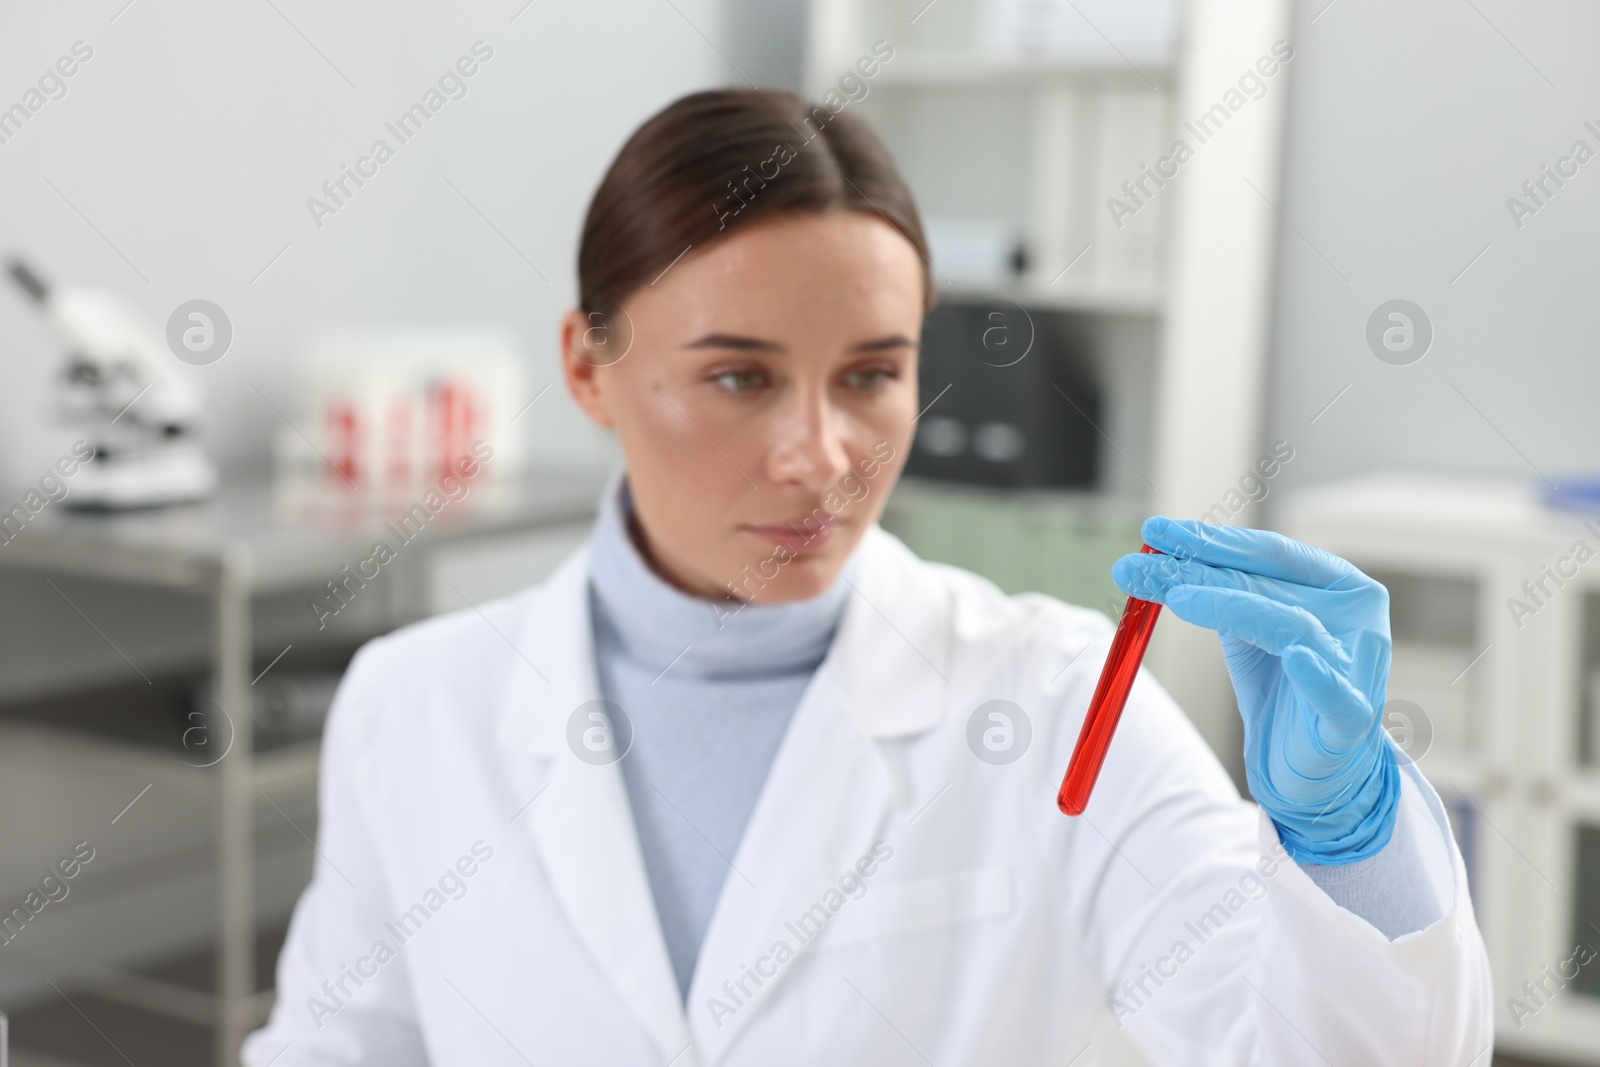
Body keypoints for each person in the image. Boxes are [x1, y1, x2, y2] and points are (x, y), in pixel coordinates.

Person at [242, 89, 1491, 1066]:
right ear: (587, 367)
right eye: (740, 375)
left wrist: (1347, 840)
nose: (820, 455)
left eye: (870, 373)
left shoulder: (1053, 699)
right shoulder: (414, 701)